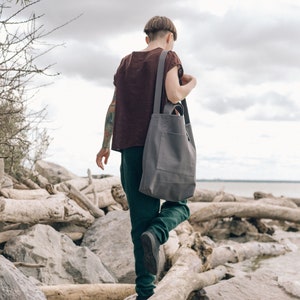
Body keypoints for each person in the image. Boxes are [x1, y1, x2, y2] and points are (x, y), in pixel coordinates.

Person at [96, 16, 197, 300]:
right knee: (180, 204)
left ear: (146, 38)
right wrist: (192, 83)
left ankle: (145, 294)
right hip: (160, 147)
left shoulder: (125, 62)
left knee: (139, 223)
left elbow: (114, 105)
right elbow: (174, 93)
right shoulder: (169, 57)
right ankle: (159, 230)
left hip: (129, 148)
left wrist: (105, 144)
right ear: (169, 38)